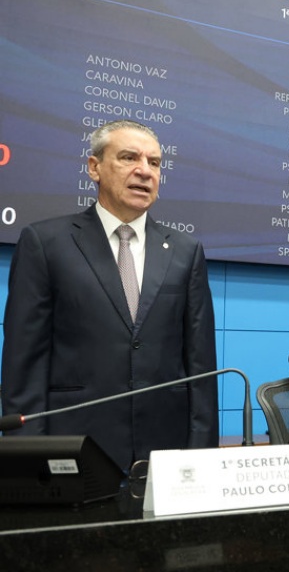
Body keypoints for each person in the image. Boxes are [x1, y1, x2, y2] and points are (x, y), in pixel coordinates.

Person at [1, 119, 218, 470]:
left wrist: (201, 457)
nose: (144, 171)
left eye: (155, 163)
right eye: (129, 157)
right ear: (94, 167)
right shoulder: (45, 244)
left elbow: (201, 368)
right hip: (75, 451)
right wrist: (29, 460)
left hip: (166, 454)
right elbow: (24, 366)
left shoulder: (185, 251)